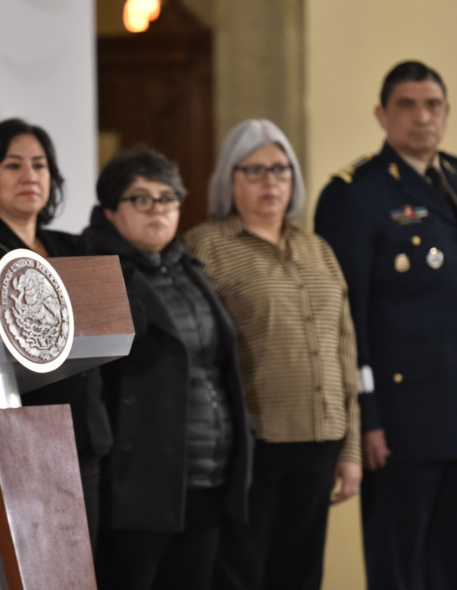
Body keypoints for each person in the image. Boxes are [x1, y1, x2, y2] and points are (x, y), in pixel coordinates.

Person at [185, 119, 361, 590]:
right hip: (252, 445)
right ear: (229, 178)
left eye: (281, 170)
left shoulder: (317, 249)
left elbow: (344, 349)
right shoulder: (207, 246)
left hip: (321, 438)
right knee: (242, 572)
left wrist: (351, 448)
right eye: (255, 170)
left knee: (300, 574)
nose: (270, 182)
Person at [82, 146, 251, 590]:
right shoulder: (94, 273)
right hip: (140, 488)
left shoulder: (190, 268)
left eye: (168, 198)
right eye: (141, 198)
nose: (157, 209)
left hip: (207, 478)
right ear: (111, 210)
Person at [315, 61, 457, 590]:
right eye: (407, 105)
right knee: (400, 569)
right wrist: (366, 418)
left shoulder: (453, 178)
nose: (423, 117)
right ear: (382, 114)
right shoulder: (356, 194)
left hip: (452, 409)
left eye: (433, 105)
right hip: (399, 422)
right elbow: (345, 319)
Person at [0, 117, 113, 549]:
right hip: (23, 437)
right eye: (13, 165)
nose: (30, 176)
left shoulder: (72, 247)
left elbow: (128, 311)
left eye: (39, 166)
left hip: (85, 437)